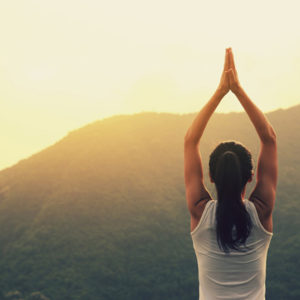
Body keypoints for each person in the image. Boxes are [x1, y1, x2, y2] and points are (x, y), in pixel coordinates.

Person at [184, 47, 277, 300]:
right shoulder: (261, 211)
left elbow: (190, 141)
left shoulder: (200, 211)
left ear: (211, 177)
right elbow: (269, 138)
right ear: (250, 177)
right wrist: (237, 90)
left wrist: (220, 92)